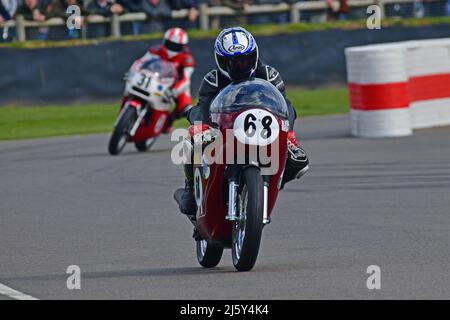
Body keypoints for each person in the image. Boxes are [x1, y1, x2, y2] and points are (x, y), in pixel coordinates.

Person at [175, 26, 310, 217]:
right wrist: (200, 127)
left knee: (299, 162)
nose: (240, 66)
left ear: (254, 55)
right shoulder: (213, 80)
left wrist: (288, 133)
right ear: (220, 61)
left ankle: (271, 182)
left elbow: (285, 106)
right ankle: (190, 188)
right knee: (192, 143)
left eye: (245, 59)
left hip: (263, 129)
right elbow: (201, 109)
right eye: (232, 62)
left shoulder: (269, 75)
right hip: (225, 131)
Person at [125, 27, 195, 132]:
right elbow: (140, 62)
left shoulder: (187, 59)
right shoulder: (156, 50)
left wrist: (173, 91)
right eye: (170, 44)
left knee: (185, 108)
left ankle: (169, 121)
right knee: (131, 87)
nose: (172, 48)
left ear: (183, 46)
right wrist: (132, 72)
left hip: (176, 86)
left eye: (176, 46)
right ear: (165, 42)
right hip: (155, 79)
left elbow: (185, 80)